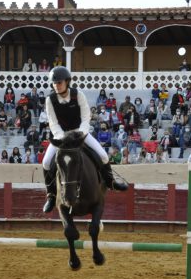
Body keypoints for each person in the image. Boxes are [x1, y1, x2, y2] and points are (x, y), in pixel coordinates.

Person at [41, 66, 128, 213]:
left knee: (103, 155)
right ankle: (50, 195)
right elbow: (53, 122)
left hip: (80, 133)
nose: (56, 85)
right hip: (61, 136)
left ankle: (111, 182)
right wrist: (64, 138)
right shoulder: (50, 100)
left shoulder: (78, 95)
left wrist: (79, 135)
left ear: (67, 82)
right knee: (46, 162)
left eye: (59, 82)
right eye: (54, 83)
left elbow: (86, 117)